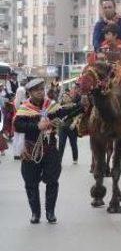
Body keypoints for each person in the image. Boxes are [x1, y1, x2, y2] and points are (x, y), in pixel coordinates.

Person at [14, 78, 83, 224]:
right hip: (31, 150)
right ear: (30, 92)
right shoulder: (24, 109)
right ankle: (35, 213)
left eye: (41, 89)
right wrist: (36, 127)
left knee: (52, 181)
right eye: (36, 90)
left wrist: (81, 106)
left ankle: (50, 212)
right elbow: (18, 125)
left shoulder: (50, 106)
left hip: (50, 148)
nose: (40, 92)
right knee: (31, 183)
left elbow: (64, 112)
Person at [58, 86, 81, 164]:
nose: (64, 98)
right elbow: (56, 117)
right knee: (61, 144)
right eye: (63, 97)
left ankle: (75, 159)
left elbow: (77, 115)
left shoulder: (74, 106)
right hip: (62, 127)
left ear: (70, 98)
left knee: (73, 144)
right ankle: (59, 160)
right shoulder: (60, 107)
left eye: (66, 96)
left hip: (71, 127)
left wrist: (74, 123)